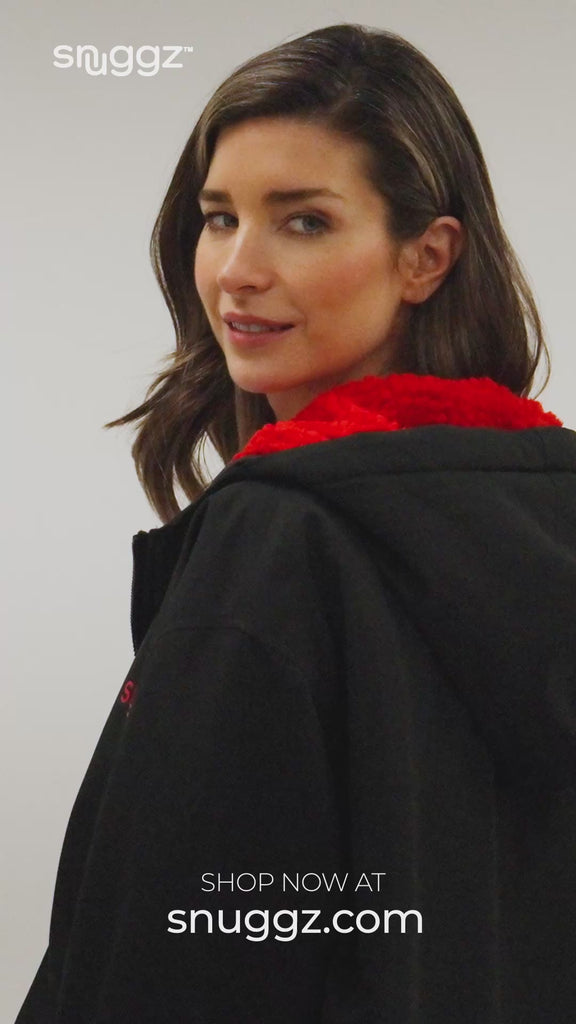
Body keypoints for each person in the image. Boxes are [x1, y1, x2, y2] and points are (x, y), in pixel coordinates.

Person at [15, 22, 576, 1024]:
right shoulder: (550, 517)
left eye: (304, 221)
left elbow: (174, 947)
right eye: (219, 218)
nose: (237, 268)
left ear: (427, 257)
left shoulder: (276, 541)